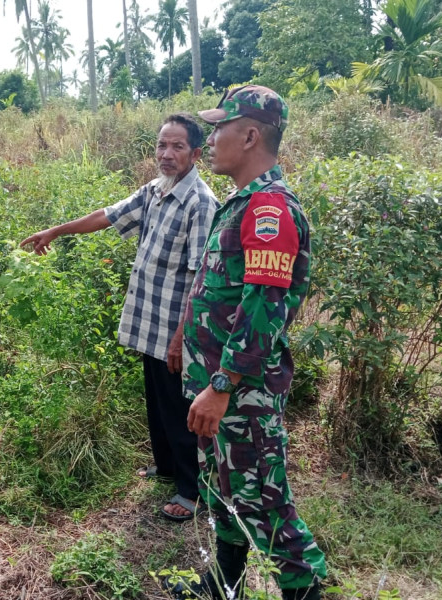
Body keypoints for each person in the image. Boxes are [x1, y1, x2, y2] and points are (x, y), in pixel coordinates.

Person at [21, 114, 219, 521]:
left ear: (196, 154)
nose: (166, 154)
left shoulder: (201, 203)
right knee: (158, 402)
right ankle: (165, 469)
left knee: (179, 409)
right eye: (162, 145)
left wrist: (182, 338)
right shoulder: (156, 190)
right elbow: (107, 216)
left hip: (175, 330)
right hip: (151, 321)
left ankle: (190, 491)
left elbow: (202, 278)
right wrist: (56, 232)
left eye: (177, 146)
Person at [176, 86, 327, 599]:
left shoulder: (270, 211)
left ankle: (303, 588)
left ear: (250, 134)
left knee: (264, 502)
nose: (210, 139)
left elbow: (264, 309)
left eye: (219, 129)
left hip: (242, 395)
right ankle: (224, 585)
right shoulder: (241, 203)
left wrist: (222, 385)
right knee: (224, 494)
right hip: (217, 391)